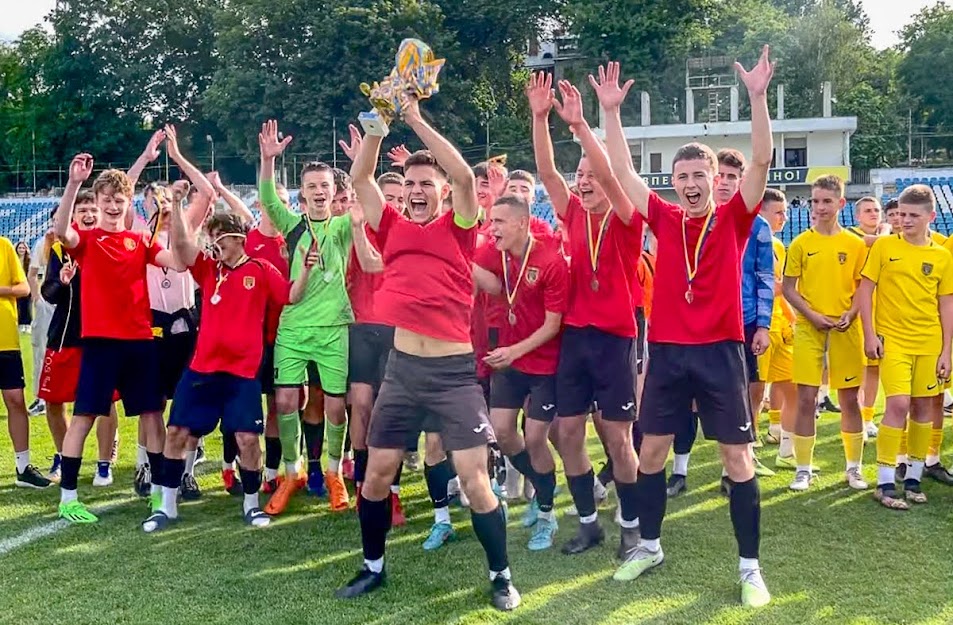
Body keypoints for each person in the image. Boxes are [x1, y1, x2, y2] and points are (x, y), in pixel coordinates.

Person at [601, 49, 774, 607]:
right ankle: (649, 546)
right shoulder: (664, 216)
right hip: (670, 354)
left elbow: (764, 161)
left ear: (715, 181)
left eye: (702, 175)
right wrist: (610, 113)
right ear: (673, 182)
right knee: (650, 453)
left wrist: (756, 97)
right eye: (684, 176)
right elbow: (623, 172)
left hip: (720, 353)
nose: (693, 183)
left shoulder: (734, 218)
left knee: (736, 459)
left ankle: (750, 568)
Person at [338, 86, 519, 610]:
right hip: (401, 371)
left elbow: (465, 176)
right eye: (411, 183)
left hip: (453, 374)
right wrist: (377, 127)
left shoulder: (460, 229)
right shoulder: (390, 225)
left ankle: (501, 575)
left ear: (440, 193)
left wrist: (414, 118)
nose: (417, 190)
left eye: (425, 183)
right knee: (375, 475)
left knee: (475, 480)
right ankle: (373, 567)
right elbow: (362, 179)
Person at [529, 70, 643, 558]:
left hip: (615, 338)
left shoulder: (625, 217)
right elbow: (549, 173)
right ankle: (589, 523)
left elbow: (614, 175)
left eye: (592, 176)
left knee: (616, 436)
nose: (584, 181)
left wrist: (581, 127)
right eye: (582, 178)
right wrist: (540, 119)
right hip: (575, 338)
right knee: (570, 433)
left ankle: (633, 526)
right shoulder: (572, 212)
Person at [52, 153, 191, 524]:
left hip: (140, 341)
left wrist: (176, 210)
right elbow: (61, 229)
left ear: (128, 204)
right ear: (96, 203)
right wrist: (73, 184)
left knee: (152, 415)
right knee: (84, 417)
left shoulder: (140, 239)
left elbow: (177, 263)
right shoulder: (86, 240)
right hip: (99, 343)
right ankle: (68, 498)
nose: (113, 205)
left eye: (119, 200)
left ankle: (161, 493)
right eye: (107, 199)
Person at [141, 206, 292, 532]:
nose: (213, 245)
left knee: (247, 438)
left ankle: (252, 506)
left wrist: (305, 266)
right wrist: (179, 207)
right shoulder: (209, 270)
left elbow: (290, 295)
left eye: (218, 237)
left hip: (242, 373)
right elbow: (181, 249)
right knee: (177, 432)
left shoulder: (261, 269)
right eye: (210, 238)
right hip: (202, 369)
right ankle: (166, 507)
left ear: (238, 238)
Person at [257, 121, 353, 515]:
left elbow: (368, 198)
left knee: (334, 407)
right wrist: (267, 159)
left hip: (333, 330)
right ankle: (292, 472)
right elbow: (265, 195)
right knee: (283, 402)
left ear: (334, 192)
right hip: (293, 329)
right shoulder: (293, 226)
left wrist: (363, 159)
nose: (318, 191)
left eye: (324, 186)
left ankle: (334, 473)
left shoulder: (345, 226)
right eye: (311, 186)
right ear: (303, 193)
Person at [473, 194, 569, 551]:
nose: (491, 228)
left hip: (542, 364)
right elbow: (474, 264)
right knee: (501, 431)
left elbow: (553, 325)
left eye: (498, 222)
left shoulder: (551, 261)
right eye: (491, 220)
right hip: (508, 361)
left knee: (535, 438)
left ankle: (546, 514)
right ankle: (543, 487)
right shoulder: (496, 254)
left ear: (521, 223)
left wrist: (513, 351)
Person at [857, 184, 953, 510]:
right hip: (893, 340)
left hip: (929, 342)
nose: (906, 220)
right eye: (902, 215)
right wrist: (869, 334)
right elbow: (865, 290)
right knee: (897, 405)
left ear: (931, 216)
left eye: (914, 215)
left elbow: (946, 305)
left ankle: (912, 478)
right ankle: (884, 481)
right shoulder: (884, 247)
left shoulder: (941, 256)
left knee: (925, 408)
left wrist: (946, 350)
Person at [782, 175, 868, 493]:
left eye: (826, 201)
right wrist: (813, 316)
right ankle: (802, 469)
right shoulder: (802, 243)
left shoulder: (855, 244)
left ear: (840, 203)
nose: (819, 207)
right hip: (809, 327)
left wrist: (852, 313)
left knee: (849, 400)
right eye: (814, 201)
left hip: (846, 327)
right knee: (806, 398)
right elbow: (788, 289)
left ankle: (854, 468)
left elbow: (863, 288)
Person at [213, 172, 290, 495]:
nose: (279, 208)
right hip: (244, 339)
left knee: (277, 405)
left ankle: (271, 472)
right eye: (274, 201)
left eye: (285, 203)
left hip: (281, 339)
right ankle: (229, 466)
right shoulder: (248, 240)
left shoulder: (292, 242)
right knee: (235, 405)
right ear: (261, 204)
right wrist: (218, 188)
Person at [39, 190, 120, 485]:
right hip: (64, 337)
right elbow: (48, 293)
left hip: (101, 338)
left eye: (92, 209)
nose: (87, 214)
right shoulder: (61, 251)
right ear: (72, 217)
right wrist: (62, 282)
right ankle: (63, 456)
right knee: (53, 402)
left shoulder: (110, 247)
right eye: (81, 209)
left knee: (106, 402)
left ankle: (104, 463)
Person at [755, 190, 799, 469]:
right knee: (755, 390)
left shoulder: (779, 246)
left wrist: (791, 317)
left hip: (780, 326)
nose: (784, 217)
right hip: (759, 326)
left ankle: (786, 451)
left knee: (792, 387)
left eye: (785, 212)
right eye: (779, 212)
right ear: (762, 213)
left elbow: (779, 288)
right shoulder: (749, 243)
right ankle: (748, 448)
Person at [1, 234, 49, 488]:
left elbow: (24, 288)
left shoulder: (4, 246)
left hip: (6, 339)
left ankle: (23, 467)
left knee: (16, 401)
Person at [848, 196, 890, 440]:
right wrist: (885, 231)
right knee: (859, 369)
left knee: (873, 369)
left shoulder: (887, 238)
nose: (874, 214)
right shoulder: (852, 236)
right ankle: (856, 419)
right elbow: (873, 242)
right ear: (857, 216)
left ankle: (868, 417)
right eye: (868, 210)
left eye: (876, 210)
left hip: (882, 310)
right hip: (858, 309)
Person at [28, 228, 56, 417]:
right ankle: (42, 398)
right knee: (41, 350)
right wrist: (38, 299)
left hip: (73, 305)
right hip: (48, 304)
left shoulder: (78, 243)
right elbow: (32, 273)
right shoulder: (42, 244)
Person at [14, 241, 32, 333]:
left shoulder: (29, 260)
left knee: (27, 305)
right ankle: (19, 323)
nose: (21, 250)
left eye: (23, 248)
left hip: (27, 285)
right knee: (17, 305)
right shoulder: (13, 260)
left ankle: (27, 324)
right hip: (16, 286)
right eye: (20, 248)